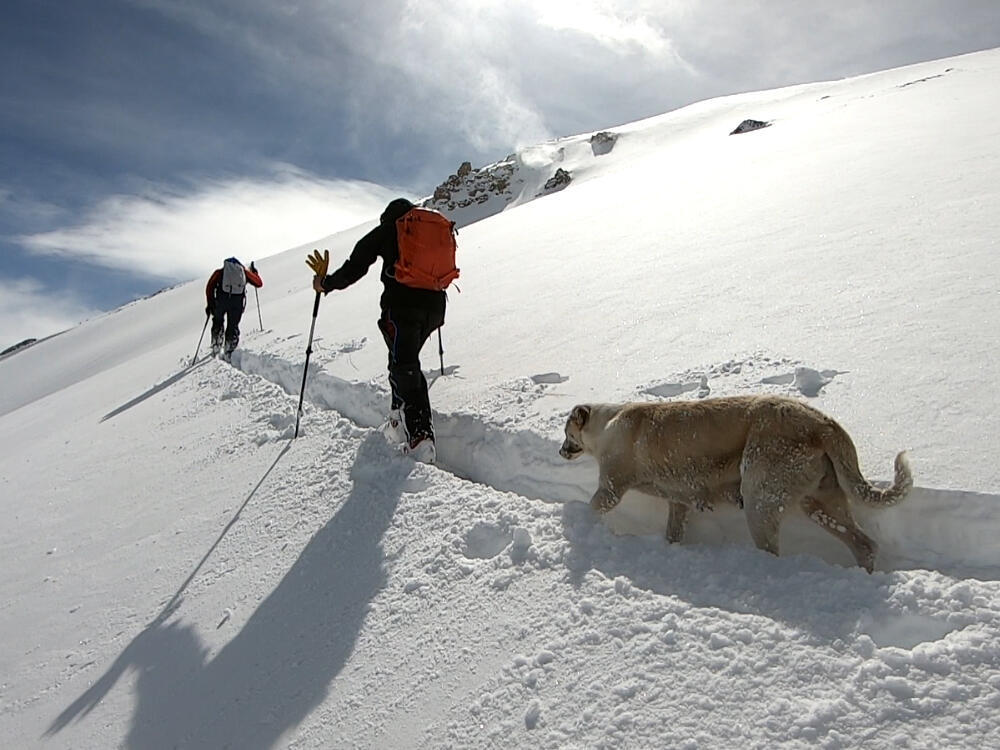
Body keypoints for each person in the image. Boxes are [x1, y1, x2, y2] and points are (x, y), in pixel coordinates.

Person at [308, 198, 446, 463]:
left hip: (402, 309)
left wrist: (325, 283)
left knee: (403, 366)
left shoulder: (390, 227)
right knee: (403, 361)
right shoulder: (428, 229)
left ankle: (420, 436)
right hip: (434, 309)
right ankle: (397, 420)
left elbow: (356, 265)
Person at [205, 258, 263, 359]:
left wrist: (210, 304)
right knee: (233, 325)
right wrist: (254, 273)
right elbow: (259, 283)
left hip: (221, 301)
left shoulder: (220, 272)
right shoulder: (244, 273)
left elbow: (209, 287)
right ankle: (230, 350)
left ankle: (216, 345)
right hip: (237, 304)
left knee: (218, 321)